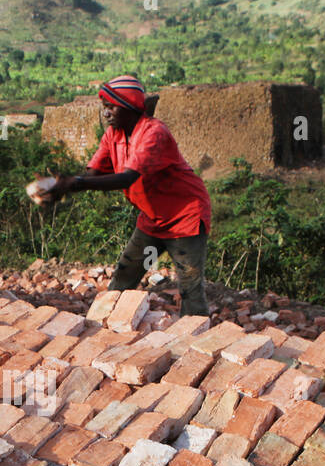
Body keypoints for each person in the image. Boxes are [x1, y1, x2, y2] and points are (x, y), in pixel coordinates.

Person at [41, 74, 213, 316]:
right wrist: (62, 185)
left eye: (111, 107)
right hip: (152, 217)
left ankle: (199, 339)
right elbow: (93, 172)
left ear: (130, 107)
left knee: (190, 288)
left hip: (184, 216)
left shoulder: (153, 133)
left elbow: (127, 177)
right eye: (104, 107)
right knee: (124, 275)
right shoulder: (114, 134)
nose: (106, 113)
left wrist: (75, 184)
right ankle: (107, 325)